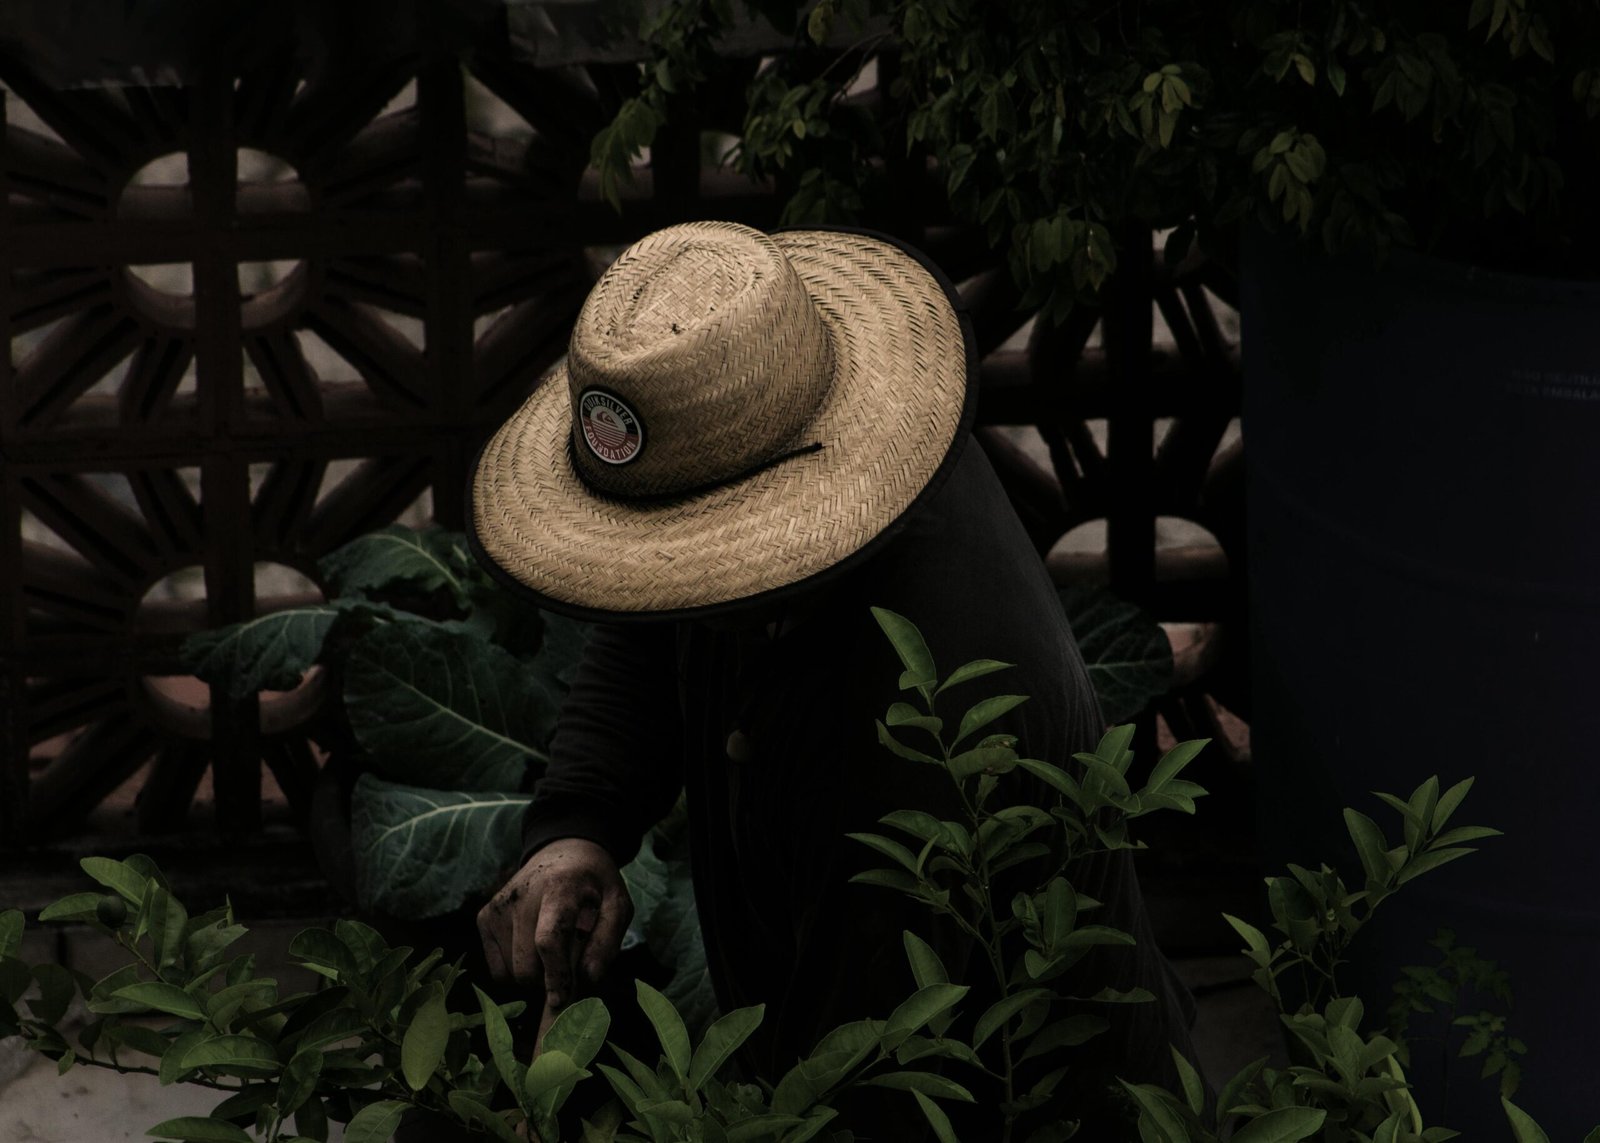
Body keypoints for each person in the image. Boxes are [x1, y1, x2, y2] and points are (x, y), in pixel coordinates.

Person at [469, 221, 1197, 1135]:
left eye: (678, 555)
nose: (667, 587)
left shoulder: (904, 725)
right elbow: (649, 620)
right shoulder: (778, 434)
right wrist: (578, 825)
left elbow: (857, 1092)